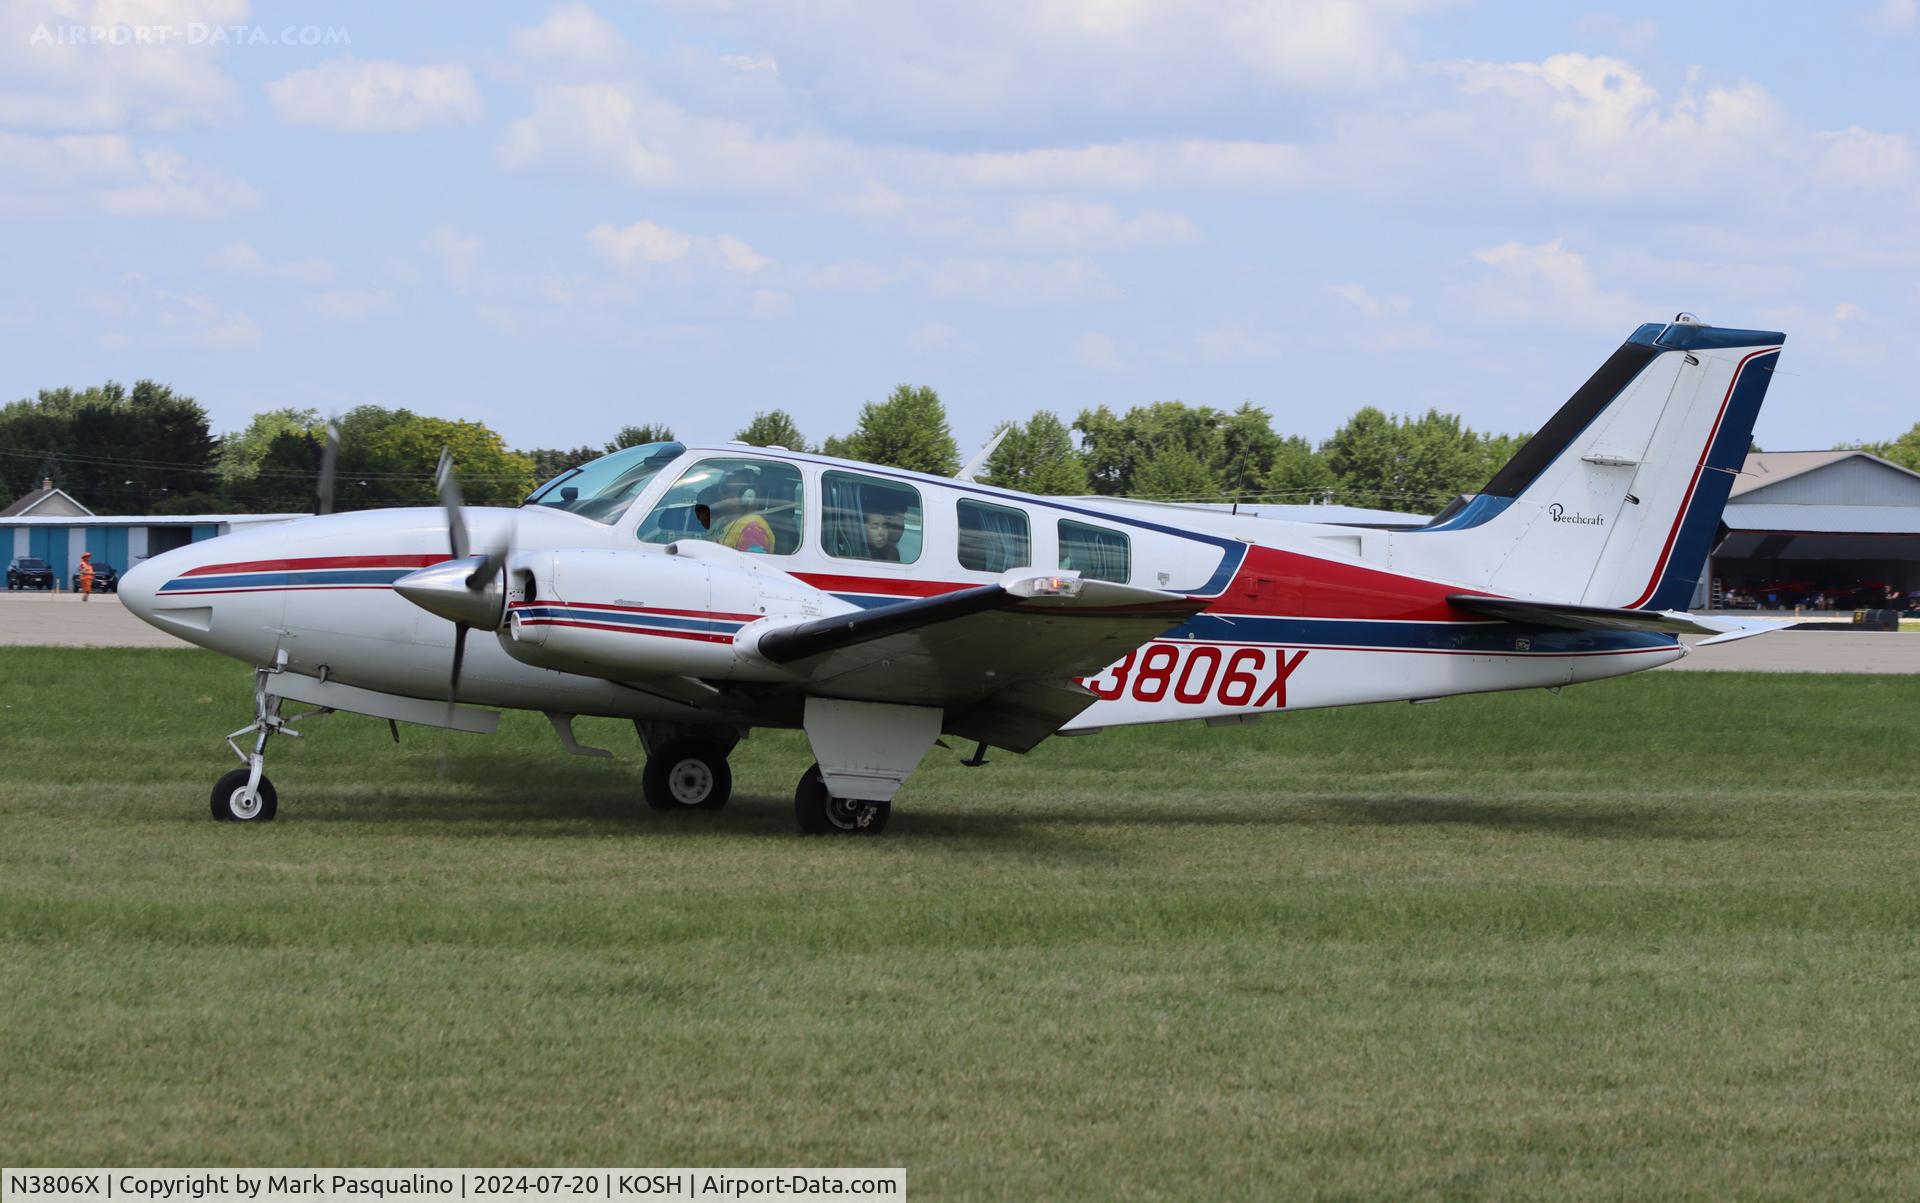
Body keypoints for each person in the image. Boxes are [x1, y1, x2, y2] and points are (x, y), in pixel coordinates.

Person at [711, 469, 775, 554]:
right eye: (721, 489)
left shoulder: (753, 528)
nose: (720, 494)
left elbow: (750, 566)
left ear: (749, 495)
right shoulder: (724, 520)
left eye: (727, 490)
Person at [862, 493, 907, 562]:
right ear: (863, 529)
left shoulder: (891, 554)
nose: (882, 532)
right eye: (874, 526)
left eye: (884, 526)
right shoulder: (855, 553)